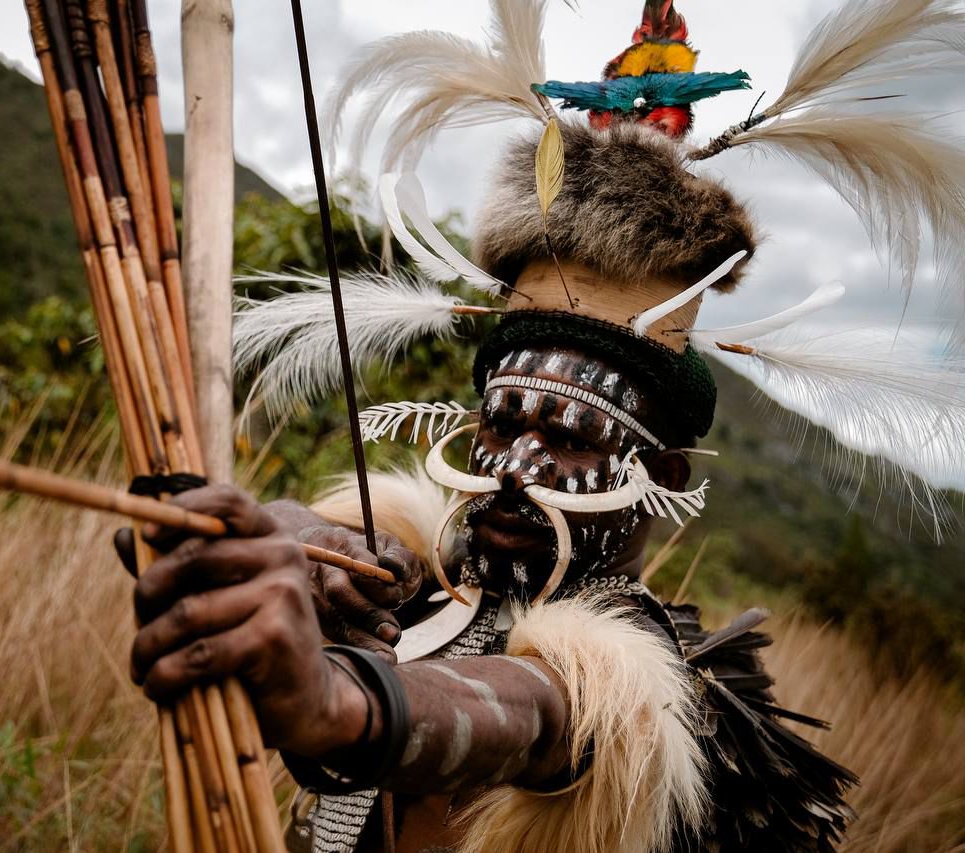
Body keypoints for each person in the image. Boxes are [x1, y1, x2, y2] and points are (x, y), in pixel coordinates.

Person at [123, 0, 965, 847]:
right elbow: (298, 550)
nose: (515, 465)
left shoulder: (643, 684)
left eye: (568, 437)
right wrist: (274, 535)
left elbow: (529, 709)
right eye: (503, 423)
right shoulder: (423, 579)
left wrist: (331, 699)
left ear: (661, 478)